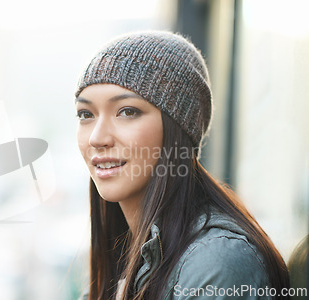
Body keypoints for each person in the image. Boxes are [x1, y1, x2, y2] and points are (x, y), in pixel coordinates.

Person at [74, 31, 290, 300]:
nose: (97, 138)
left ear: (178, 129)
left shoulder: (215, 262)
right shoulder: (123, 256)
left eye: (127, 111)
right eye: (86, 114)